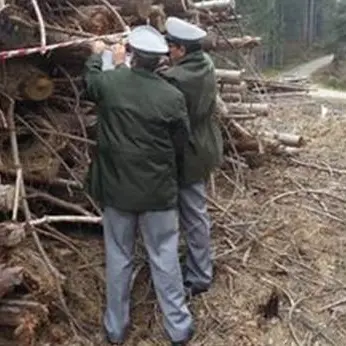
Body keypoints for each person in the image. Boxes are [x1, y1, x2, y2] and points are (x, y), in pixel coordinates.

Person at [84, 25, 194, 346]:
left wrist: (98, 55)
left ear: (132, 55)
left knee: (119, 257)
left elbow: (90, 84)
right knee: (165, 256)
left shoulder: (111, 82)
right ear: (159, 61)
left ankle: (116, 329)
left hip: (117, 191)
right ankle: (179, 328)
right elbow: (180, 142)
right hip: (158, 193)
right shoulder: (172, 96)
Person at [158, 17, 223, 297]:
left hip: (190, 152)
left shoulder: (179, 78)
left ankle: (198, 276)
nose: (168, 52)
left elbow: (161, 91)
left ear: (182, 50)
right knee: (195, 213)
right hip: (204, 144)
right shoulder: (203, 63)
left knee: (193, 214)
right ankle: (198, 266)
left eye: (171, 47)